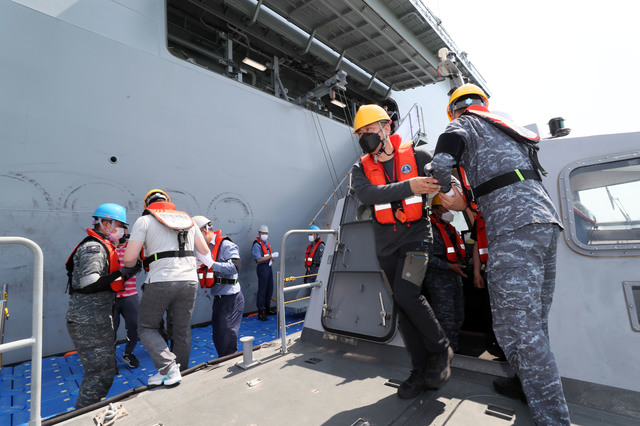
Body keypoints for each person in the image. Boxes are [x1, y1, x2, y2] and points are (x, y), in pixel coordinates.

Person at [430, 83, 571, 424]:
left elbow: (439, 165)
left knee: (518, 329)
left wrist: (448, 195)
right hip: (544, 223)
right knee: (534, 321)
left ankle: (553, 419)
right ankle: (525, 384)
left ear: (454, 109)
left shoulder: (462, 123)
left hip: (512, 226)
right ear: (485, 104)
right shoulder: (508, 132)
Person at [350, 104, 452, 399]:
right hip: (385, 245)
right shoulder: (361, 168)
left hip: (416, 239)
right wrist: (411, 186)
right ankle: (419, 371)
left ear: (386, 127)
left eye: (369, 130)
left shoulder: (419, 156)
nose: (364, 137)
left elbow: (441, 182)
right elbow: (367, 194)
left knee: (408, 295)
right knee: (403, 307)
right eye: (360, 133)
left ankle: (440, 349)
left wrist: (445, 185)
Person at [123, 189, 213, 386]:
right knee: (182, 330)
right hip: (190, 281)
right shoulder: (188, 220)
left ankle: (168, 368)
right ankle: (180, 372)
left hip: (160, 281)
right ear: (168, 203)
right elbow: (205, 251)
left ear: (148, 205)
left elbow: (129, 259)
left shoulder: (144, 221)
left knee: (146, 327)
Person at [65, 203, 140, 408]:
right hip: (88, 321)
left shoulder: (104, 246)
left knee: (104, 372)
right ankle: (81, 417)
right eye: (120, 226)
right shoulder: (95, 248)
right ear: (105, 224)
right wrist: (121, 273)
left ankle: (84, 413)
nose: (123, 231)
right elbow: (89, 283)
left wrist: (128, 272)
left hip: (97, 319)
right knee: (98, 375)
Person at [193, 215, 245, 357]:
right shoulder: (206, 249)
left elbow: (236, 266)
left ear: (204, 232)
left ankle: (230, 361)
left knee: (227, 335)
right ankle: (225, 359)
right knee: (218, 334)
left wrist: (211, 264)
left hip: (231, 298)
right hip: (219, 297)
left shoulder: (226, 245)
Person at [424, 193, 467, 353]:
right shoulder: (428, 230)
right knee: (445, 322)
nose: (450, 213)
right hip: (439, 282)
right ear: (435, 210)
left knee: (458, 318)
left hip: (455, 280)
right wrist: (449, 267)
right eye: (446, 208)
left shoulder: (450, 229)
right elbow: (425, 256)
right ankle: (447, 355)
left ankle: (453, 350)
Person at [114, 227, 140, 369]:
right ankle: (110, 360)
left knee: (135, 327)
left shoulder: (133, 250)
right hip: (112, 297)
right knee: (111, 330)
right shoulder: (107, 249)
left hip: (130, 295)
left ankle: (128, 353)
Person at [251, 225, 278, 321]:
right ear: (259, 234)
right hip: (262, 268)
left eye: (266, 233)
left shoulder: (266, 244)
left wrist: (272, 257)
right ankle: (261, 311)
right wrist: (270, 256)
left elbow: (267, 256)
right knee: (262, 290)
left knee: (269, 289)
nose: (265, 235)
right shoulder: (256, 245)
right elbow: (258, 259)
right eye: (263, 233)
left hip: (269, 267)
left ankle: (267, 308)